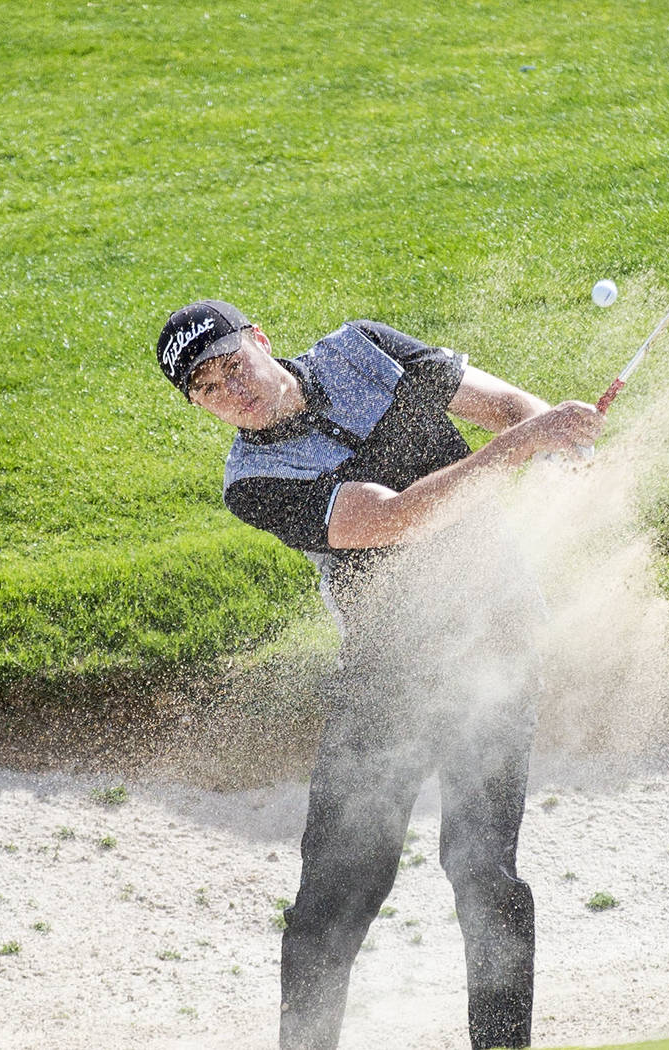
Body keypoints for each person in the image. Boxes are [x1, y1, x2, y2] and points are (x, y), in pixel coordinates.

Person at [156, 299, 603, 1050]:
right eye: (208, 388)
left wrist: (559, 445)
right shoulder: (253, 481)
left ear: (262, 340)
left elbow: (502, 407)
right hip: (388, 674)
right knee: (336, 894)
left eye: (235, 363)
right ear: (199, 406)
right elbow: (392, 519)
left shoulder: (363, 349)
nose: (234, 390)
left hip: (497, 638)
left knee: (485, 870)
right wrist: (528, 441)